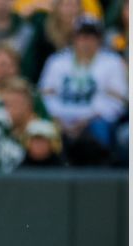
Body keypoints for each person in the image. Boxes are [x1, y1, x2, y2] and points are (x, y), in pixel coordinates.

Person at [37, 17, 129, 165]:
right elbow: (44, 97)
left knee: (101, 128)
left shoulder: (112, 62)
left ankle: (100, 172)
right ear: (74, 38)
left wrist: (86, 120)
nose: (86, 41)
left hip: (95, 120)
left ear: (99, 39)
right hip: (59, 119)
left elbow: (118, 102)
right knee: (41, 128)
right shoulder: (56, 61)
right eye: (82, 36)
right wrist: (57, 118)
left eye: (92, 37)